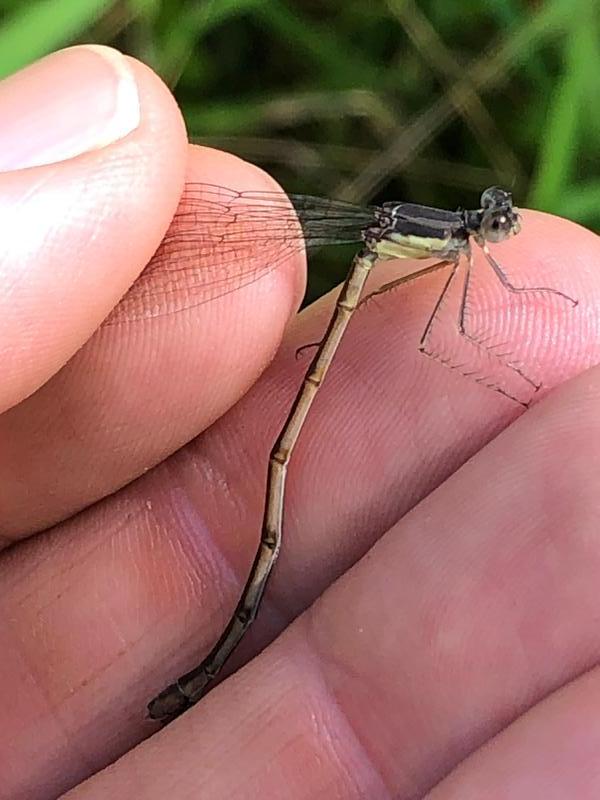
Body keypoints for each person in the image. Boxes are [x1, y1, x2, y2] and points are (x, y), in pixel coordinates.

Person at [1, 45, 600, 800]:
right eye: (493, 222)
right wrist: (513, 380)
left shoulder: (456, 245)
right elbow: (450, 336)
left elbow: (449, 302)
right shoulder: (452, 247)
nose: (497, 229)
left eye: (496, 220)